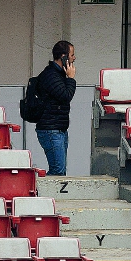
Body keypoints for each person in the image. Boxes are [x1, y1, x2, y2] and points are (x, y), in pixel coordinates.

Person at [36, 40, 77, 176]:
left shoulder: (58, 74)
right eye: (72, 55)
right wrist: (71, 78)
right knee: (57, 171)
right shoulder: (51, 75)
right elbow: (65, 96)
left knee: (60, 171)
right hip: (51, 130)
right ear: (63, 56)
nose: (74, 58)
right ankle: (39, 190)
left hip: (58, 129)